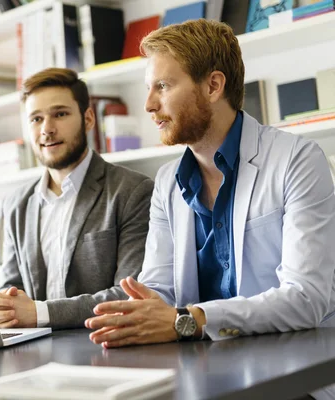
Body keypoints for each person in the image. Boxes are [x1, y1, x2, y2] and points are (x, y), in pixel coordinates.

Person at [86, 18, 335, 351]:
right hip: (203, 360)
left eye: (162, 86)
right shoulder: (166, 182)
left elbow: (305, 298)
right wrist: (141, 310)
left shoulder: (297, 160)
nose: (149, 104)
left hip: (293, 360)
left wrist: (189, 320)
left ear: (213, 86)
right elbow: (160, 287)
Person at [0, 68, 154, 330]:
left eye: (60, 114)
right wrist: (3, 308)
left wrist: (40, 313)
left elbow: (129, 295)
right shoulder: (16, 204)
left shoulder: (132, 191)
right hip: (33, 354)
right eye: (36, 119)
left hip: (103, 348)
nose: (47, 129)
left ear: (88, 119)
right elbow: (12, 291)